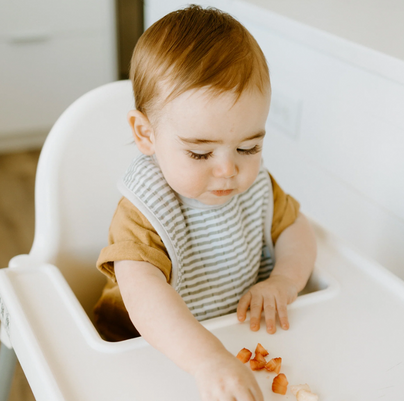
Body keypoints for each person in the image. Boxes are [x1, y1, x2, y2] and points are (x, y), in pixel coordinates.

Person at [94, 5, 317, 400]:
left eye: (249, 146)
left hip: (232, 341)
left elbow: (296, 229)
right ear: (146, 134)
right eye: (200, 154)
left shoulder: (256, 188)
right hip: (143, 352)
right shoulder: (144, 211)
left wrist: (283, 280)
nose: (228, 170)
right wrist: (206, 359)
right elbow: (143, 296)